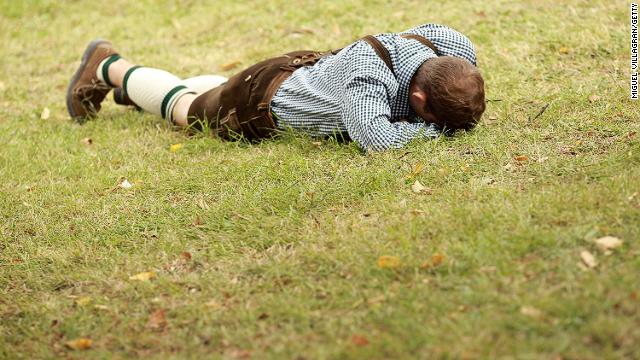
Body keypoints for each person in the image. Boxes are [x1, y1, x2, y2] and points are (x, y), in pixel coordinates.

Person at [66, 23, 485, 152]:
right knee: (188, 111)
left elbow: (463, 63)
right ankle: (110, 68)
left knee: (211, 88)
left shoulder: (449, 47)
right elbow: (375, 138)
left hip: (301, 72)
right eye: (424, 114)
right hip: (258, 105)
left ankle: (135, 91)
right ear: (418, 100)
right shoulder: (368, 76)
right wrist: (434, 131)